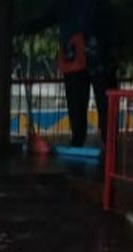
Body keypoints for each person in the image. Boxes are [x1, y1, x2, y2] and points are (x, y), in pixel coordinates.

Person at [23, 0, 117, 148]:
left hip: (82, 53)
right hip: (93, 54)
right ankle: (103, 141)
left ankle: (87, 140)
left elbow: (43, 19)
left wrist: (21, 28)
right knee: (96, 101)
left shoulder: (65, 4)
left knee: (86, 101)